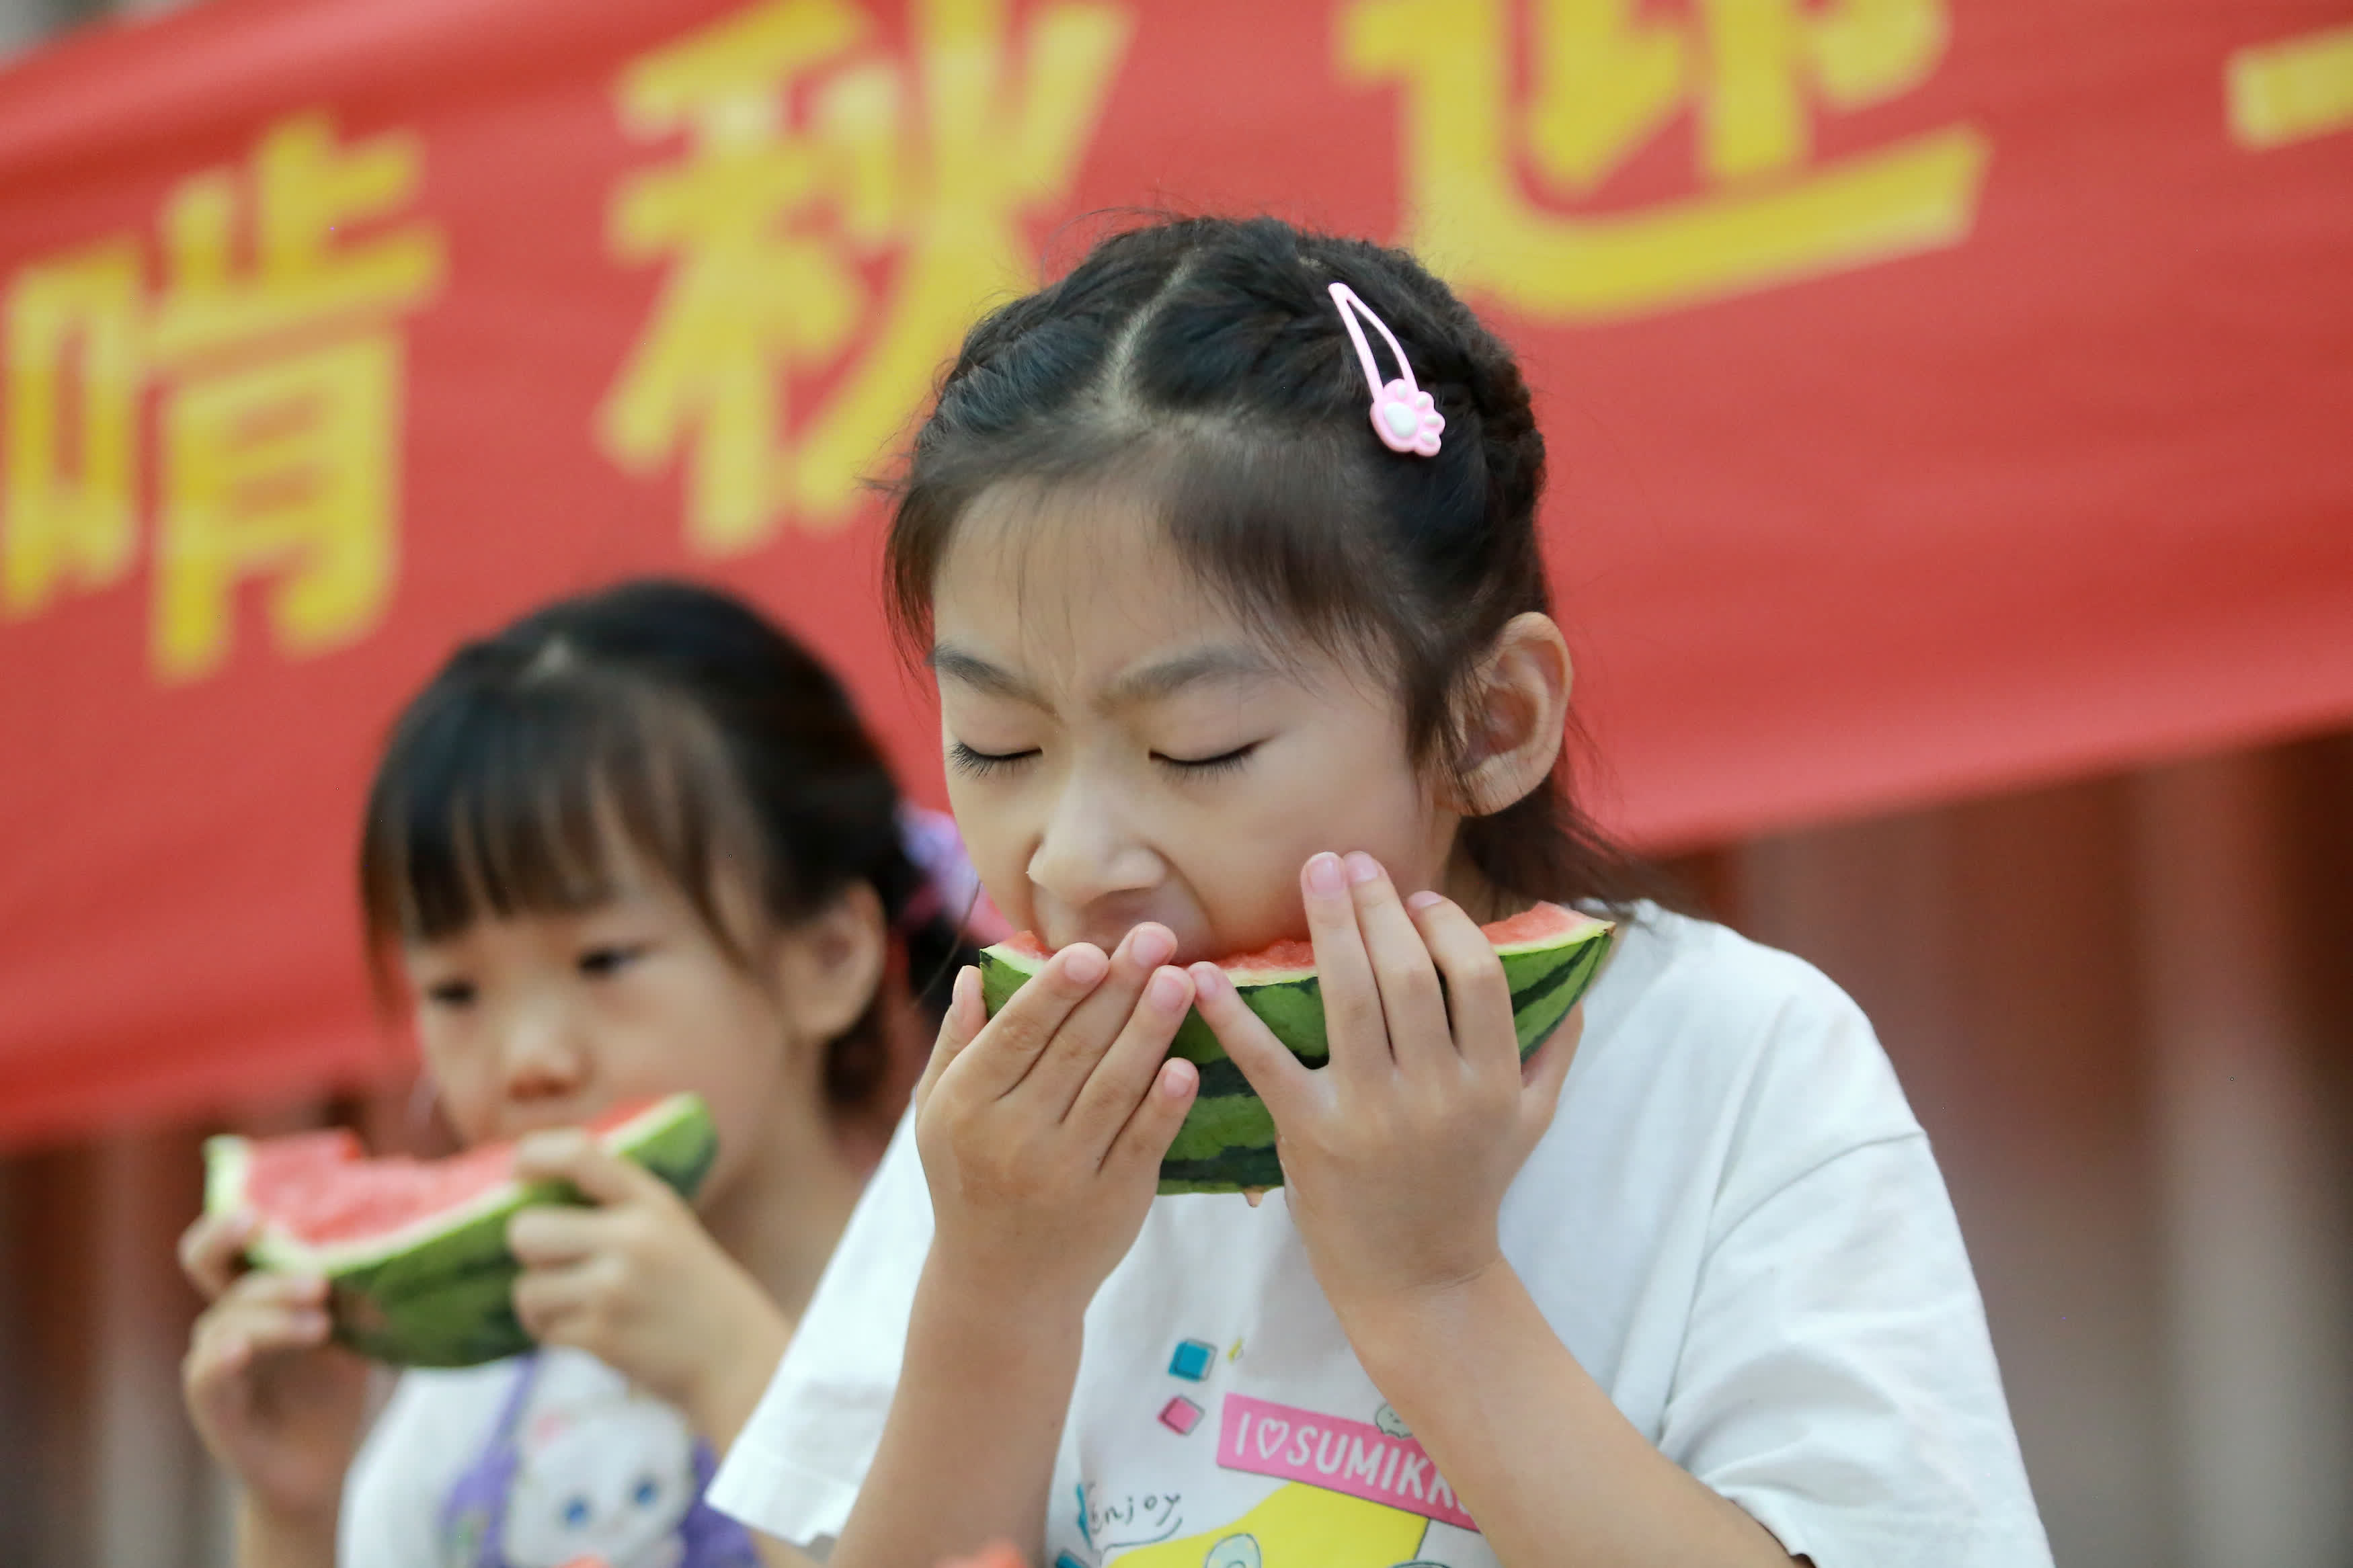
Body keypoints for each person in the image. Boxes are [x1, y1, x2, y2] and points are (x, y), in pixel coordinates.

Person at [708, 217, 2054, 1567]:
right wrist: (994, 1299)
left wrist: (1434, 1288)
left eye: (1199, 750)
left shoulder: (1737, 1060)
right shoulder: (1001, 1127)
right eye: (997, 751)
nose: (1069, 858)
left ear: (1488, 723)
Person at [178, 579, 988, 1568]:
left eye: (604, 960)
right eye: (455, 989)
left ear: (825, 960)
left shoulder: (981, 1314)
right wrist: (292, 1512)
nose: (528, 1061)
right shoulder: (473, 1405)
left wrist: (733, 1374)